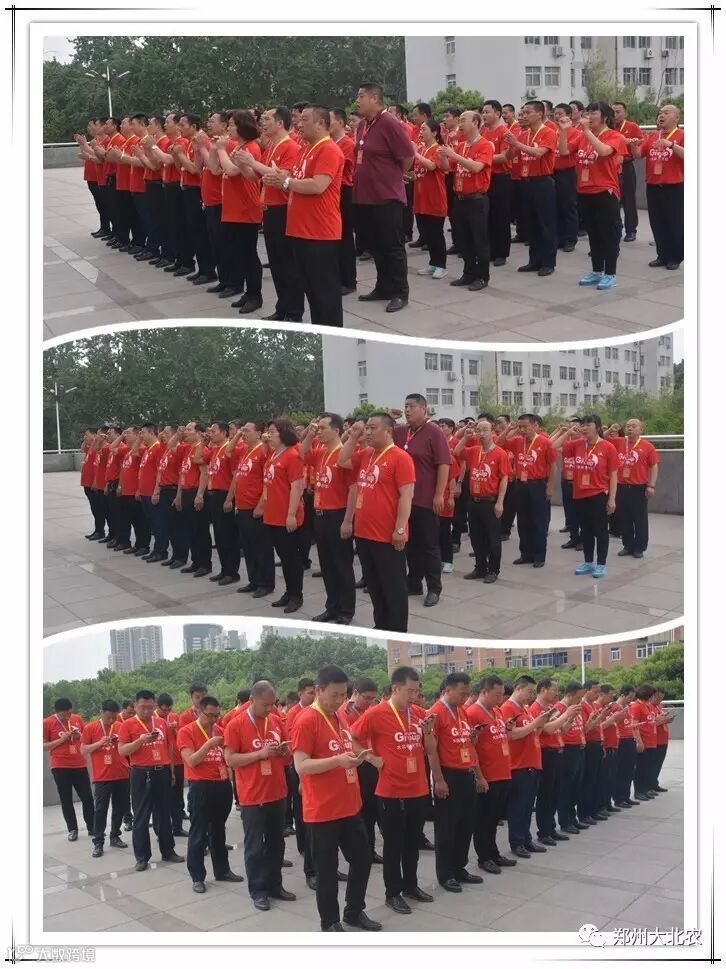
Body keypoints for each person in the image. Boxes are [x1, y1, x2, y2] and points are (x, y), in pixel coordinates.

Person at [291, 665, 381, 932]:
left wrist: (355, 758)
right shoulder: (307, 720)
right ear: (319, 690)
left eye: (343, 695)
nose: (340, 700)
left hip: (349, 806)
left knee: (362, 859)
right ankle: (329, 922)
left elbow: (342, 750)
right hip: (323, 810)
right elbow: (301, 765)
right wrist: (337, 761)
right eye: (335, 695)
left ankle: (354, 911)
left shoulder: (339, 717)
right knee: (327, 870)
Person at [351, 666, 436, 913]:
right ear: (396, 689)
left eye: (417, 691)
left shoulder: (418, 713)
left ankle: (411, 885)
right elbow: (352, 739)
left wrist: (428, 731)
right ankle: (393, 893)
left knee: (412, 844)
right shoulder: (375, 714)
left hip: (418, 789)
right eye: (410, 691)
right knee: (393, 846)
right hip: (391, 791)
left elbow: (431, 748)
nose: (414, 696)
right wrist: (371, 758)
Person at [263, 105, 345, 326]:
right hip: (300, 230)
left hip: (320, 232)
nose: (299, 124)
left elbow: (318, 185)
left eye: (305, 119)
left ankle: (333, 333)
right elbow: (292, 177)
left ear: (321, 123)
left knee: (325, 292)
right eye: (298, 120)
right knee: (312, 290)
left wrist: (286, 182)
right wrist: (280, 177)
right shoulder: (304, 149)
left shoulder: (329, 149)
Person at [338, 413, 415, 632]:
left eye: (373, 428)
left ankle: (397, 630)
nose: (368, 432)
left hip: (387, 536)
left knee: (393, 588)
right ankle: (381, 625)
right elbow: (342, 460)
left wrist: (400, 529)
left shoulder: (400, 457)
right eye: (367, 428)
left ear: (388, 431)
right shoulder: (367, 454)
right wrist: (353, 436)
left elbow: (406, 496)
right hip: (364, 534)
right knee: (374, 586)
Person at [222, 682, 294, 907]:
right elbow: (230, 759)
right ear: (251, 700)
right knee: (254, 847)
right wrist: (259, 754)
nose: (270, 709)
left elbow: (286, 754)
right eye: (265, 705)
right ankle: (258, 891)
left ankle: (275, 885)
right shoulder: (236, 725)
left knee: (276, 844)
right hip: (253, 796)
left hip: (277, 792)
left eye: (273, 704)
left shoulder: (275, 721)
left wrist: (284, 751)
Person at [353, 82, 415, 313]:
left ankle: (400, 291)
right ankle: (383, 287)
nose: (357, 100)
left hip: (386, 196)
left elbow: (407, 156)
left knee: (392, 246)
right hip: (365, 196)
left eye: (361, 96)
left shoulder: (389, 122)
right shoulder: (363, 124)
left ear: (375, 98)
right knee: (376, 246)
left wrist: (392, 176)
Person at [427, 672, 487, 891]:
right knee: (447, 828)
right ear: (447, 690)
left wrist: (478, 774)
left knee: (465, 825)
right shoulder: (435, 713)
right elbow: (431, 751)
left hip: (466, 773)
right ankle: (446, 874)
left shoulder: (462, 711)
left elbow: (468, 745)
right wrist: (439, 780)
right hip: (448, 775)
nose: (465, 698)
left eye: (467, 693)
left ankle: (459, 867)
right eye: (462, 693)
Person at [177, 695, 243, 893]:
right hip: (200, 786)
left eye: (217, 715)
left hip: (221, 784)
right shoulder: (186, 731)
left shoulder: (220, 731)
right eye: (210, 715)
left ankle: (222, 870)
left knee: (219, 830)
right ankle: (197, 876)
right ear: (199, 711)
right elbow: (191, 761)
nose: (214, 720)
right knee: (198, 832)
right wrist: (209, 744)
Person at [392, 394, 451, 607]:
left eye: (412, 406)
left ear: (424, 409)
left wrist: (439, 494)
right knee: (410, 545)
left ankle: (434, 587)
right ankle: (414, 583)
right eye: (405, 406)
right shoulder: (401, 431)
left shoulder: (434, 431)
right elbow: (381, 433)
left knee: (429, 546)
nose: (407, 410)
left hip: (425, 499)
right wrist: (389, 417)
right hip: (404, 500)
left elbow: (443, 464)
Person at [116, 689, 184, 871]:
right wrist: (140, 741)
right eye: (142, 707)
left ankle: (168, 850)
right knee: (141, 816)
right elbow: (122, 750)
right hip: (141, 773)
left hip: (162, 771)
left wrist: (171, 771)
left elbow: (169, 746)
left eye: (149, 707)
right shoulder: (127, 725)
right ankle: (142, 857)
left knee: (164, 813)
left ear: (154, 705)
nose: (146, 711)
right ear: (135, 706)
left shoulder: (161, 722)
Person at [300, 414, 357, 624]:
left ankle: (346, 611)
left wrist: (348, 520)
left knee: (342, 566)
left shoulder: (344, 454)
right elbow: (302, 453)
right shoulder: (321, 452)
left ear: (337, 430)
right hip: (320, 515)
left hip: (338, 515)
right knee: (327, 566)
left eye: (323, 428)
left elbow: (353, 490)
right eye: (319, 428)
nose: (319, 431)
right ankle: (331, 607)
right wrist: (310, 433)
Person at [568, 101, 627, 290]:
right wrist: (562, 131)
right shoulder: (583, 136)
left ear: (605, 117)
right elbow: (563, 151)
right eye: (588, 112)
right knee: (593, 233)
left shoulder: (615, 136)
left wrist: (586, 131)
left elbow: (603, 151)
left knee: (608, 234)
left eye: (594, 112)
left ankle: (610, 273)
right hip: (584, 191)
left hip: (605, 191)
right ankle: (596, 270)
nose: (589, 116)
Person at [553, 415, 618, 578]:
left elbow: (613, 474)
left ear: (598, 428)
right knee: (586, 531)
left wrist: (612, 499)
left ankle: (601, 564)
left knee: (600, 531)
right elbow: (554, 446)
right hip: (580, 495)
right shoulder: (577, 444)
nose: (585, 427)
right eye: (583, 425)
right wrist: (568, 433)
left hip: (598, 494)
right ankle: (588, 562)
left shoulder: (608, 447)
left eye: (589, 424)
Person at [212, 109, 264, 315]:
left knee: (249, 254)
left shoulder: (251, 147)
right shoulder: (238, 147)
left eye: (232, 124)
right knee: (239, 253)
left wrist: (221, 150)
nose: (229, 128)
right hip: (233, 208)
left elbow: (231, 170)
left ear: (242, 126)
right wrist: (217, 150)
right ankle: (247, 292)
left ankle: (255, 295)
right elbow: (216, 169)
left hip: (246, 208)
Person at [467, 676, 518, 874]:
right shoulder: (473, 713)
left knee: (494, 818)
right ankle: (484, 857)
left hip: (502, 772)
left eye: (501, 695)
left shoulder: (496, 711)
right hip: (488, 775)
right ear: (484, 692)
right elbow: (471, 747)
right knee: (484, 819)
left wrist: (507, 728)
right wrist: (479, 776)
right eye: (497, 695)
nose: (500, 699)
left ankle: (494, 853)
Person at [438, 110, 493, 291]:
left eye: (463, 120)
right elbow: (447, 168)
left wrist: (453, 155)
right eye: (460, 121)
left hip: (477, 200)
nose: (460, 124)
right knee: (463, 238)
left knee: (479, 239)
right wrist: (443, 156)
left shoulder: (485, 145)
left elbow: (477, 167)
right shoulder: (461, 146)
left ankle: (482, 276)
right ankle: (468, 272)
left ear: (475, 123)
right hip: (460, 199)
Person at [500, 676, 552, 857]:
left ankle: (526, 839)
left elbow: (532, 732)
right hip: (519, 765)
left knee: (528, 806)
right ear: (519, 689)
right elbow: (511, 734)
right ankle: (517, 842)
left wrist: (540, 723)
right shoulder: (507, 708)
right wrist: (535, 724)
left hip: (531, 763)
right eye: (529, 692)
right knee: (518, 807)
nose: (531, 696)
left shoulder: (525, 709)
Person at [504, 100, 558, 276]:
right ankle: (534, 260)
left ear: (540, 114)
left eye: (528, 112)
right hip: (526, 182)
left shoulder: (549, 132)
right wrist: (511, 144)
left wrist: (517, 144)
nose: (524, 116)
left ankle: (548, 262)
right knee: (531, 223)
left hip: (542, 182)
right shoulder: (523, 134)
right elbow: (510, 156)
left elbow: (539, 153)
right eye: (523, 113)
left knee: (546, 224)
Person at [453, 419, 509, 583]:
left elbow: (504, 478)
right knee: (476, 537)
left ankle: (493, 570)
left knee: (493, 538)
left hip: (490, 502)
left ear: (492, 432)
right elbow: (457, 451)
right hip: (473, 501)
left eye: (485, 430)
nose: (481, 433)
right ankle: (480, 568)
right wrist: (466, 436)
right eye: (479, 430)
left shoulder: (500, 453)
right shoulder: (474, 450)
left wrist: (500, 502)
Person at [499, 414, 558, 567]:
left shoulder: (545, 442)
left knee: (539, 522)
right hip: (520, 485)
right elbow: (499, 443)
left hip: (537, 485)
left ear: (534, 425)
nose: (522, 429)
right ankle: (525, 554)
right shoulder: (517, 441)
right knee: (523, 521)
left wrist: (550, 487)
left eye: (525, 426)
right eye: (520, 426)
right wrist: (508, 429)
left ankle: (539, 556)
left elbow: (553, 466)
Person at [260, 420, 306, 613]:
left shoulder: (292, 455)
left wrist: (291, 514)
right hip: (272, 514)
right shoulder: (273, 454)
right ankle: (288, 592)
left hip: (286, 515)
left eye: (272, 432)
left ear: (283, 433)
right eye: (268, 431)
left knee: (292, 559)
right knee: (284, 558)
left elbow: (297, 487)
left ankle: (296, 595)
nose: (268, 435)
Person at [225, 421, 274, 596]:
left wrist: (261, 505)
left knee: (261, 548)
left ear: (259, 433)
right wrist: (238, 434)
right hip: (242, 507)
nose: (244, 433)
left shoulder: (263, 451)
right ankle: (254, 581)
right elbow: (228, 451)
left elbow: (268, 481)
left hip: (255, 508)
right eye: (243, 431)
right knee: (248, 547)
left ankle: (266, 583)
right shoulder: (245, 451)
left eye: (248, 431)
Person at [530, 679, 580, 846]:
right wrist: (566, 714)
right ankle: (544, 831)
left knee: (554, 793)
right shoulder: (536, 708)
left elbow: (561, 729)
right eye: (554, 690)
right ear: (543, 690)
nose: (557, 693)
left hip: (557, 752)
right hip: (546, 753)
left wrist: (570, 718)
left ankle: (551, 828)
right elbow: (547, 729)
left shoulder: (549, 708)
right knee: (545, 795)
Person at [634, 104, 684, 269]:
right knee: (657, 222)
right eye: (660, 113)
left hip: (674, 186)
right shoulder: (653, 135)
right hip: (653, 185)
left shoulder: (682, 135)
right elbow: (639, 155)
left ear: (676, 118)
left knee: (674, 222)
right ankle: (662, 255)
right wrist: (634, 146)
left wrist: (670, 145)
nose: (661, 115)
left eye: (666, 113)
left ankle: (675, 257)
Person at [81, 700, 130, 857]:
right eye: (108, 717)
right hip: (102, 776)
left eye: (114, 717)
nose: (111, 720)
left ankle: (115, 835)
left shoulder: (121, 726)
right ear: (101, 712)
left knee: (119, 807)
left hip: (122, 773)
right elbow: (83, 750)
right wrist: (100, 742)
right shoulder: (90, 728)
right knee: (101, 809)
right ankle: (98, 842)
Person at [339, 678, 381, 863]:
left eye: (372, 698)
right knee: (361, 812)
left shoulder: (370, 710)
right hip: (357, 764)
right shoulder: (344, 713)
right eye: (366, 698)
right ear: (355, 693)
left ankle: (370, 850)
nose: (369, 702)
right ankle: (361, 852)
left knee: (371, 811)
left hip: (372, 764)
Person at [43, 699, 95, 842]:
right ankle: (72, 829)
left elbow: (86, 738)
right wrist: (62, 740)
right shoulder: (47, 723)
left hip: (79, 764)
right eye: (64, 715)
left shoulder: (77, 718)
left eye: (69, 713)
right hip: (60, 766)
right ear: (56, 711)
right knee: (66, 799)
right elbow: (43, 746)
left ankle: (92, 826)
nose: (67, 717)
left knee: (87, 798)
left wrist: (79, 736)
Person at [610, 418, 660, 559]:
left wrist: (651, 485)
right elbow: (602, 439)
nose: (630, 428)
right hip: (621, 486)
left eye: (633, 426)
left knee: (639, 519)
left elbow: (654, 466)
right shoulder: (619, 442)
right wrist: (612, 429)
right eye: (628, 426)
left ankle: (639, 547)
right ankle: (627, 545)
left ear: (641, 430)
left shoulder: (647, 446)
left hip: (638, 487)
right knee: (624, 518)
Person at [285, 678, 316, 886]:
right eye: (310, 693)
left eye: (314, 692)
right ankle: (304, 846)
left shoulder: (318, 712)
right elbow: (293, 745)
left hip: (316, 768)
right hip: (299, 766)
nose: (313, 696)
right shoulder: (294, 714)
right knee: (301, 809)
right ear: (300, 694)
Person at [174, 422, 212, 576]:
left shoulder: (202, 449)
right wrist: (179, 495)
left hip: (196, 492)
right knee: (190, 530)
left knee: (200, 530)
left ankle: (205, 564)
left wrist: (200, 495)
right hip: (186, 492)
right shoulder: (186, 448)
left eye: (189, 429)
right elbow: (182, 472)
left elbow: (204, 473)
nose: (186, 432)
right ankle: (196, 561)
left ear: (198, 433)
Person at [411, 118, 448, 279]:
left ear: (434, 132)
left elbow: (432, 166)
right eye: (420, 129)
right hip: (421, 197)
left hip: (434, 198)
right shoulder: (422, 148)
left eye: (424, 129)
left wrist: (415, 153)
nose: (421, 132)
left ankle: (441, 265)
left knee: (436, 233)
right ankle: (433, 263)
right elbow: (418, 172)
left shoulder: (438, 149)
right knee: (427, 233)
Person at [205, 421, 240, 586]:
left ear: (224, 433)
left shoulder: (229, 451)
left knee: (228, 536)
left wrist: (229, 499)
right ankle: (224, 569)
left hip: (224, 495)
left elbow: (235, 477)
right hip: (213, 494)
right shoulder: (214, 449)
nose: (211, 434)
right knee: (219, 535)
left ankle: (232, 572)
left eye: (214, 431)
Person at [329, 108, 357, 294]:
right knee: (335, 236)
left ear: (340, 122)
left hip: (344, 191)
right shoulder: (331, 142)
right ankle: (338, 276)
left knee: (345, 236)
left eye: (329, 119)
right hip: (334, 192)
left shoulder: (347, 143)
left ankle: (349, 281)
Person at [481, 100, 512, 266]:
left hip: (501, 178)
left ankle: (501, 252)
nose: (484, 115)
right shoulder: (483, 132)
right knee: (488, 216)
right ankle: (491, 250)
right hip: (486, 178)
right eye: (483, 112)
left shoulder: (504, 132)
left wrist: (483, 159)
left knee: (501, 216)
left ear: (497, 114)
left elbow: (505, 156)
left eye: (487, 112)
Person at [554, 683, 587, 834]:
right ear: (569, 695)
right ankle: (565, 821)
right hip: (567, 750)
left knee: (575, 786)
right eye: (578, 697)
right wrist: (568, 716)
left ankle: (572, 818)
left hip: (579, 749)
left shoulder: (575, 708)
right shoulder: (559, 708)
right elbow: (559, 730)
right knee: (566, 787)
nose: (580, 701)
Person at [154, 693, 186, 837]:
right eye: (164, 710)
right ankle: (159, 829)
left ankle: (177, 827)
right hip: (162, 762)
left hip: (177, 761)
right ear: (157, 706)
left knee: (177, 797)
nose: (167, 712)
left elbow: (181, 736)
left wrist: (173, 729)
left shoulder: (174, 717)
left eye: (169, 709)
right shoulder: (153, 719)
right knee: (161, 799)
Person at [577, 682, 609, 825]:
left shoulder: (593, 706)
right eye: (595, 692)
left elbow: (598, 726)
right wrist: (597, 719)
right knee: (588, 781)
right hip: (589, 745)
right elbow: (586, 728)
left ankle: (594, 810)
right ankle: (584, 813)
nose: (597, 695)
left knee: (596, 780)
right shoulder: (582, 706)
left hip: (597, 744)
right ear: (586, 691)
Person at [612, 102, 644, 242]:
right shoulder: (608, 127)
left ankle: (631, 230)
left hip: (626, 166)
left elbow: (641, 142)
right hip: (611, 167)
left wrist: (632, 142)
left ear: (625, 113)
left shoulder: (632, 126)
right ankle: (616, 229)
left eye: (618, 111)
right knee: (613, 200)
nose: (615, 115)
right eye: (613, 112)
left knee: (629, 199)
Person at [552, 103, 580, 252]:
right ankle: (559, 237)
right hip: (553, 173)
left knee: (568, 206)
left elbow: (566, 151)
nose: (557, 116)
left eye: (560, 114)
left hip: (567, 172)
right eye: (555, 114)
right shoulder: (553, 131)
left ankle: (570, 238)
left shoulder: (575, 133)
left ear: (569, 116)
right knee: (555, 206)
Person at [612, 686, 639, 808]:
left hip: (630, 739)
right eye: (629, 697)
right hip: (621, 741)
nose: (631, 700)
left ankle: (626, 796)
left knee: (629, 770)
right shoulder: (614, 707)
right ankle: (619, 798)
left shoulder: (627, 707)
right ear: (622, 695)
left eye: (632, 698)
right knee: (621, 771)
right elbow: (612, 724)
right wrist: (618, 718)